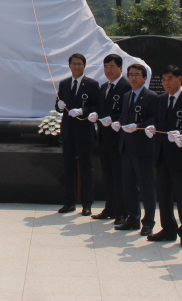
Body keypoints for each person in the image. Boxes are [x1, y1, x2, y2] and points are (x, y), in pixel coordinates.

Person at [148, 65, 182, 248]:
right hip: (162, 154)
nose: (166, 83)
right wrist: (152, 127)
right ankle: (168, 229)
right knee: (164, 195)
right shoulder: (161, 99)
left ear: (179, 79)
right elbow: (157, 120)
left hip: (181, 156)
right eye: (163, 80)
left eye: (170, 79)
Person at [113, 62, 157, 235]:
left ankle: (148, 222)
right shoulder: (126, 96)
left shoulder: (151, 96)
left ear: (144, 78)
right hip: (126, 147)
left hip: (143, 149)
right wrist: (119, 123)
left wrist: (138, 125)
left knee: (146, 187)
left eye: (137, 75)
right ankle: (133, 218)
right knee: (129, 185)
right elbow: (124, 117)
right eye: (130, 74)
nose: (133, 78)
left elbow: (154, 120)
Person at [55, 53, 101, 216]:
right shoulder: (64, 84)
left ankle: (87, 203)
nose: (77, 66)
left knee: (86, 168)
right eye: (74, 63)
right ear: (69, 66)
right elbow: (58, 104)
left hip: (84, 132)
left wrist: (83, 111)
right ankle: (69, 202)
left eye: (80, 64)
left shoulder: (92, 84)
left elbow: (97, 106)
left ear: (84, 66)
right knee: (68, 168)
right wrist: (59, 105)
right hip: (68, 132)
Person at [93, 54, 126, 221]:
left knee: (120, 177)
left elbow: (126, 112)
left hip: (119, 140)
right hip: (104, 139)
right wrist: (95, 115)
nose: (109, 70)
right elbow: (101, 108)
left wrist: (114, 119)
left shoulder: (125, 86)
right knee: (108, 176)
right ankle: (110, 208)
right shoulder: (104, 87)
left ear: (120, 68)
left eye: (112, 66)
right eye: (106, 67)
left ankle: (121, 212)